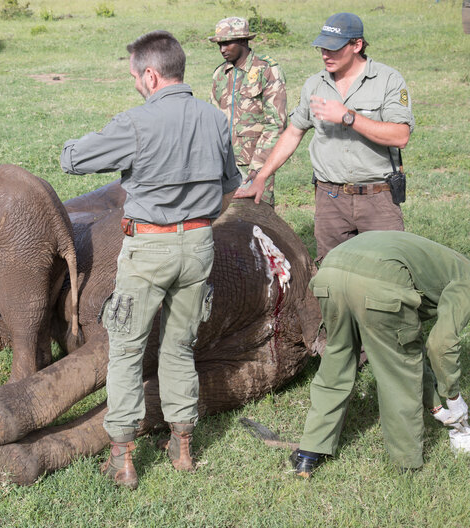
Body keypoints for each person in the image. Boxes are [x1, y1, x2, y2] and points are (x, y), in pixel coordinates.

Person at [60, 30, 241, 489]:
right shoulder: (215, 119)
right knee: (180, 346)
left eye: (135, 77)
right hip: (199, 244)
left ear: (151, 74)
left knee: (125, 349)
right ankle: (182, 447)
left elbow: (73, 159)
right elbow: (229, 184)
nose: (135, 84)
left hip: (149, 249)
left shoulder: (136, 123)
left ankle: (122, 455)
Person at [235, 12, 413, 262]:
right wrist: (262, 176)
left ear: (356, 45)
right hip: (331, 200)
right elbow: (294, 132)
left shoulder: (387, 80)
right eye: (322, 48)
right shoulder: (314, 85)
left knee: (387, 272)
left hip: (378, 199)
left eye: (333, 48)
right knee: (333, 275)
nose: (325, 55)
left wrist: (347, 117)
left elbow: (400, 135)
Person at [290, 231, 470, 478]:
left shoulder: (448, 261)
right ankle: (407, 464)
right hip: (380, 283)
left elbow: (415, 343)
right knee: (399, 372)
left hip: (331, 272)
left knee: (337, 359)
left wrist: (436, 407)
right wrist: (454, 397)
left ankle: (309, 453)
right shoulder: (466, 280)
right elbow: (440, 345)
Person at [209, 16, 287, 207]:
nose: (222, 49)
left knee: (258, 219)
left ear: (243, 41)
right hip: (223, 166)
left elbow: (276, 124)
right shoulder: (220, 74)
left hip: (256, 165)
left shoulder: (266, 71)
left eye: (227, 43)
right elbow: (211, 121)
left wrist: (259, 167)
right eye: (220, 44)